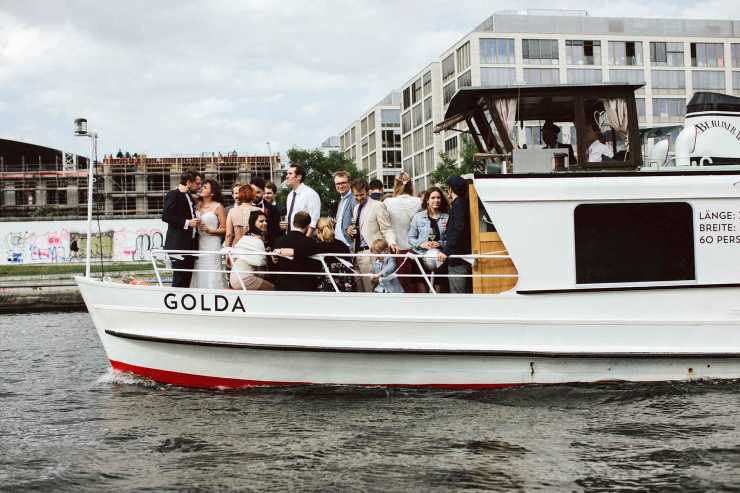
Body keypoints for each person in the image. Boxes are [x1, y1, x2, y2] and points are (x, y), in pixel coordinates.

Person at [346, 179, 398, 292]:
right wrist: (350, 231)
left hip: (372, 254)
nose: (359, 198)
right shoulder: (355, 208)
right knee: (360, 292)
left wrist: (392, 242)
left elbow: (387, 228)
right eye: (356, 195)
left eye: (361, 195)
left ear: (368, 191)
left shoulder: (378, 206)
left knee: (372, 291)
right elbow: (361, 230)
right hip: (356, 255)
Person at [383, 172, 422, 292]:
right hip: (416, 250)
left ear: (395, 185)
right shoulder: (419, 201)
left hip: (396, 250)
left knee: (397, 288)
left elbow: (386, 227)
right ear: (411, 185)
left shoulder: (388, 202)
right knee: (416, 287)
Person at [162, 170, 202, 287]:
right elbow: (166, 216)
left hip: (190, 244)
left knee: (187, 279)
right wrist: (188, 223)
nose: (199, 186)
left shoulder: (189, 195)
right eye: (197, 183)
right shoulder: (173, 194)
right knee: (179, 279)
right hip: (178, 245)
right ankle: (175, 302)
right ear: (189, 182)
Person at [408, 186, 450, 291]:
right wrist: (421, 244)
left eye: (438, 197)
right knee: (422, 290)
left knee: (437, 290)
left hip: (439, 257)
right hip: (420, 256)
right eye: (433, 198)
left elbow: (450, 239)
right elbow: (410, 238)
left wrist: (440, 243)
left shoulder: (447, 217)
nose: (436, 200)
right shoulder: (417, 217)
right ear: (427, 200)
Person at [190, 179, 227, 289]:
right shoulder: (197, 204)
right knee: (199, 268)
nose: (202, 188)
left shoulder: (218, 206)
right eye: (202, 186)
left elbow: (225, 229)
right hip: (199, 242)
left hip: (212, 243)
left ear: (212, 192)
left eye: (205, 187)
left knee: (212, 269)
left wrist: (209, 230)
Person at [437, 176, 472, 294]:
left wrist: (446, 251)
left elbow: (458, 229)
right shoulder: (466, 203)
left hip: (458, 258)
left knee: (458, 292)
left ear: (450, 189)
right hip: (464, 256)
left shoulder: (458, 205)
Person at [272, 211, 322, 291]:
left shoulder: (279, 241)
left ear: (293, 223)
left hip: (282, 285)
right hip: (305, 286)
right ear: (308, 225)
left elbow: (276, 263)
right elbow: (317, 266)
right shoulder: (310, 243)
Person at [229, 210, 274, 291]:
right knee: (273, 289)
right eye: (261, 221)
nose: (265, 223)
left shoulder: (246, 237)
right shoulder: (256, 239)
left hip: (234, 278)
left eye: (265, 221)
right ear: (253, 222)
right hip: (244, 279)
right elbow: (260, 263)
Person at [314, 217, 355, 292]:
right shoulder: (343, 245)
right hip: (343, 288)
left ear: (318, 231)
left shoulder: (316, 247)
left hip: (323, 288)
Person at [281, 164, 321, 237]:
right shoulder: (290, 195)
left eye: (290, 174)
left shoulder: (310, 194)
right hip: (290, 237)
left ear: (299, 177)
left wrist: (306, 240)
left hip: (303, 239)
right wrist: (284, 224)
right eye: (287, 174)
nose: (286, 176)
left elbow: (314, 220)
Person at [250, 177, 282, 248]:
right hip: (249, 247)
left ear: (263, 192)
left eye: (258, 192)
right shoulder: (244, 208)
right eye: (253, 192)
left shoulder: (273, 209)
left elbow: (277, 232)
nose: (255, 195)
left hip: (268, 247)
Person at [332, 170, 356, 247]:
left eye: (343, 183)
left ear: (349, 183)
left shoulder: (354, 198)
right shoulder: (341, 201)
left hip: (350, 246)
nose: (341, 186)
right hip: (339, 245)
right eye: (338, 184)